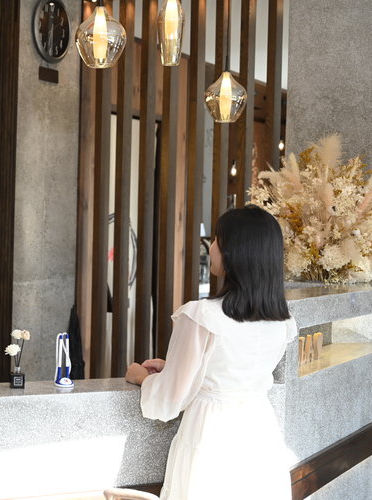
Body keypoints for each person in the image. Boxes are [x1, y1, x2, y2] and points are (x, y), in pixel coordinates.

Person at [125, 205, 296, 500]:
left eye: (217, 239)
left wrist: (141, 377)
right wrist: (176, 366)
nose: (212, 247)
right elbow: (233, 369)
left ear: (235, 252)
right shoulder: (283, 322)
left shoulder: (202, 316)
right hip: (260, 433)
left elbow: (169, 400)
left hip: (211, 432)